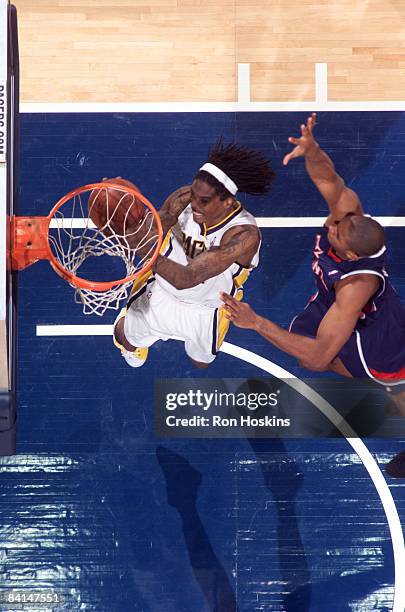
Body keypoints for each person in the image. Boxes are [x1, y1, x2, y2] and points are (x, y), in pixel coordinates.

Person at [221, 114, 405, 478]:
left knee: (391, 385)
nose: (332, 225)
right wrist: (312, 150)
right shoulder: (348, 216)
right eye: (338, 222)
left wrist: (256, 322)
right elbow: (328, 179)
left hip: (378, 338)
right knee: (309, 351)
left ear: (351, 255)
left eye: (337, 231)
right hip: (336, 306)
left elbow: (321, 358)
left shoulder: (356, 286)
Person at [113, 140, 275, 369]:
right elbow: (155, 228)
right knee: (126, 338)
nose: (194, 203)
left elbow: (187, 279)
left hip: (206, 309)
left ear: (227, 201)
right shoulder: (186, 196)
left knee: (201, 361)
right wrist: (123, 223)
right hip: (162, 293)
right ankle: (132, 327)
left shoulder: (244, 235)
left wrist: (143, 249)